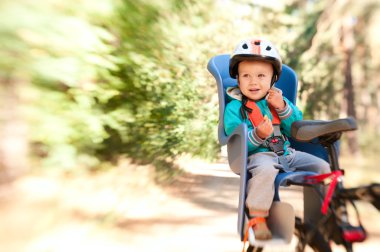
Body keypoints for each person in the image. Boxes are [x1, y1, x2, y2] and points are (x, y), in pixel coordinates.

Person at [224, 38, 330, 240]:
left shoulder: (279, 101)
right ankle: (258, 218)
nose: (253, 82)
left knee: (323, 168)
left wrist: (282, 108)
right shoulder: (234, 109)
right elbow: (234, 139)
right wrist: (257, 135)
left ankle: (321, 218)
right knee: (264, 169)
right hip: (258, 156)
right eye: (246, 75)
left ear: (273, 79)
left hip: (288, 153)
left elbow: (297, 129)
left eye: (261, 75)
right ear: (237, 79)